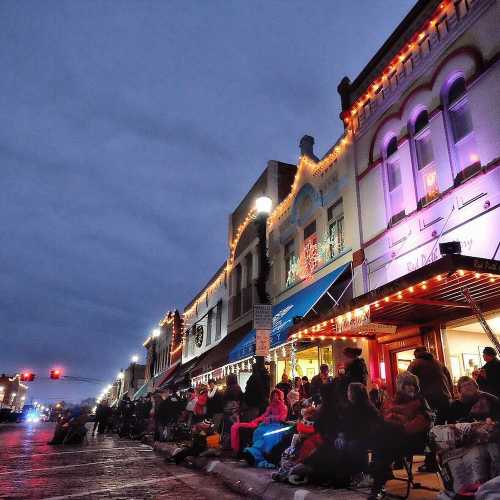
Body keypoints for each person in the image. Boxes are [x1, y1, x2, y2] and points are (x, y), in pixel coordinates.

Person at [369, 372, 431, 499]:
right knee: (381, 438)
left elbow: (423, 422)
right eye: (407, 385)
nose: (411, 388)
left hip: (411, 439)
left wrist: (400, 428)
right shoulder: (390, 401)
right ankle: (380, 475)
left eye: (413, 385)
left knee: (383, 441)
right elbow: (381, 419)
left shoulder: (420, 402)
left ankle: (378, 480)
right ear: (400, 386)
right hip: (391, 440)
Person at [231, 388, 287, 454]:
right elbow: (264, 415)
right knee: (257, 431)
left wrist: (271, 418)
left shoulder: (283, 406)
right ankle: (257, 449)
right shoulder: (270, 406)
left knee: (268, 434)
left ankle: (267, 451)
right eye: (274, 395)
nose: (275, 397)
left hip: (278, 425)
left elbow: (282, 417)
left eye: (276, 395)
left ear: (279, 396)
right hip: (269, 423)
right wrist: (256, 420)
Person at [408, 346, 452, 424]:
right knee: (442, 426)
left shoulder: (415, 364)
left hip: (428, 401)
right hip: (445, 399)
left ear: (416, 354)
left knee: (429, 427)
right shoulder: (439, 363)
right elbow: (449, 380)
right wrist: (451, 395)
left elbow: (408, 381)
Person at [221, 374, 243, 448]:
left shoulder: (228, 389)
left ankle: (227, 445)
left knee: (227, 429)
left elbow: (224, 400)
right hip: (236, 412)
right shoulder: (238, 388)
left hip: (228, 412)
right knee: (235, 429)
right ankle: (235, 444)